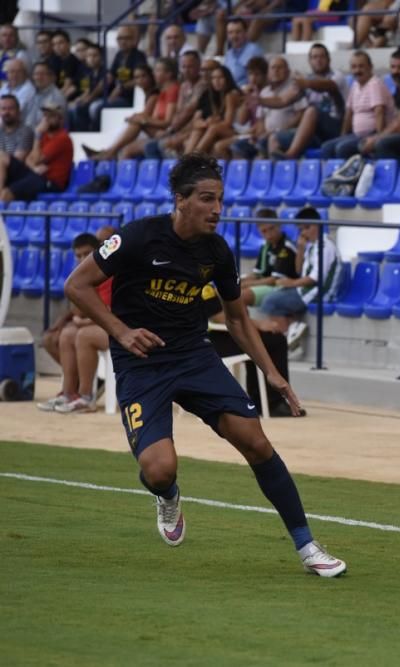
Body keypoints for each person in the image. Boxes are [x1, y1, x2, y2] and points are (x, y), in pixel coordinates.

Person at [63, 154, 345, 575]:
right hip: (141, 363)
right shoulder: (137, 237)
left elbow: (236, 317)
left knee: (256, 442)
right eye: (207, 199)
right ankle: (166, 494)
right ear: (181, 200)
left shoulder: (216, 251)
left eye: (221, 200)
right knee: (159, 469)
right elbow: (77, 285)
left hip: (194, 355)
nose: (217, 209)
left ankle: (307, 547)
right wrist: (121, 332)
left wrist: (271, 372)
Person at [36, 233, 111, 414]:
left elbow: (108, 313)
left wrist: (81, 321)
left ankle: (87, 397)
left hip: (120, 329)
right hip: (98, 325)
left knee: (83, 335)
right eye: (79, 256)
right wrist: (74, 319)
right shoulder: (81, 275)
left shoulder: (109, 274)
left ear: (99, 251)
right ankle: (69, 393)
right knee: (67, 333)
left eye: (87, 254)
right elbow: (77, 310)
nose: (83, 259)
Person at [256, 207, 342, 338]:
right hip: (307, 290)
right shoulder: (312, 246)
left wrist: (291, 283)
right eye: (301, 230)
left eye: (307, 228)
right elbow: (298, 270)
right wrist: (301, 249)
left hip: (319, 293)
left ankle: (285, 340)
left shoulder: (325, 247)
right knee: (275, 295)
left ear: (317, 225)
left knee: (270, 301)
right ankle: (292, 329)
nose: (304, 233)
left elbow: (314, 279)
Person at [320, 51, 393, 160]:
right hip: (357, 135)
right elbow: (349, 114)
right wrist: (343, 136)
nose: (357, 70)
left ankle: (347, 176)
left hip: (371, 135)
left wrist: (377, 138)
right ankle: (331, 176)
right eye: (354, 67)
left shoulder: (375, 84)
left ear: (370, 67)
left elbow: (379, 113)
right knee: (326, 147)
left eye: (361, 66)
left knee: (342, 148)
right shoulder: (355, 85)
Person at [0, 100, 72, 202]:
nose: (46, 119)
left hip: (51, 182)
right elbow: (28, 160)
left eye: (51, 116)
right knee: (2, 157)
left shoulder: (62, 138)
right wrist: (34, 167)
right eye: (45, 115)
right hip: (36, 176)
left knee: (6, 193)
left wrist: (37, 133)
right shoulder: (45, 137)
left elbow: (36, 159)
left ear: (60, 119)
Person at [239, 209, 297, 309]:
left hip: (282, 287)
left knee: (240, 296)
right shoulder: (265, 247)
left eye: (271, 228)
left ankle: (247, 324)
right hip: (267, 284)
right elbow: (257, 273)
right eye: (264, 231)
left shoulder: (286, 247)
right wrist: (239, 281)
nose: (269, 234)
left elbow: (274, 280)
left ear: (279, 225)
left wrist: (246, 285)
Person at [222, 18, 265, 87]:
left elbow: (259, 79)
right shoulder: (228, 54)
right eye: (230, 33)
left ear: (245, 32)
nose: (234, 36)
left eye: (238, 32)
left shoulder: (254, 50)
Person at [0, 94, 32, 162]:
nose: (6, 112)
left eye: (11, 108)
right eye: (3, 109)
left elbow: (16, 162)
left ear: (18, 111)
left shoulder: (25, 131)